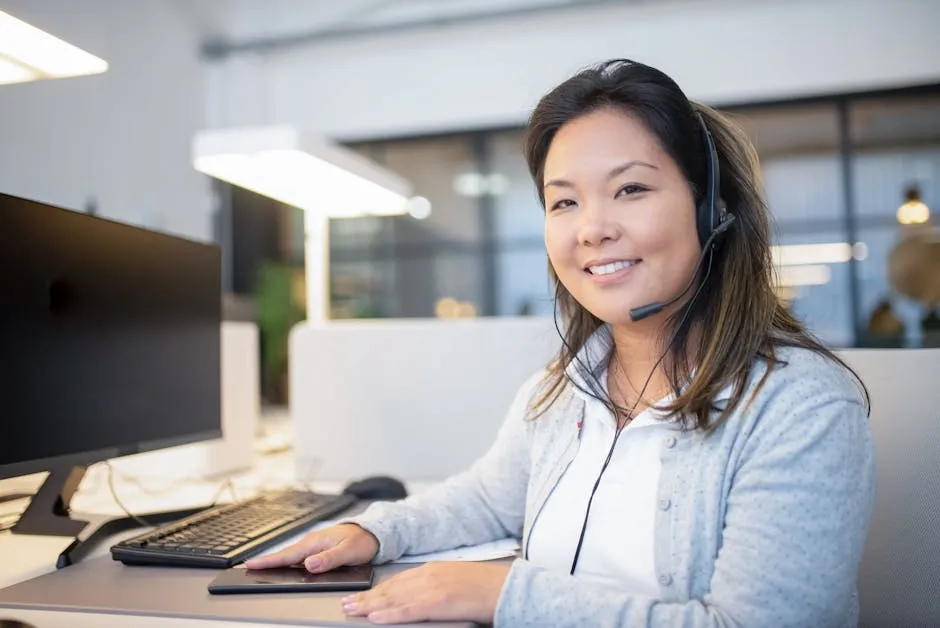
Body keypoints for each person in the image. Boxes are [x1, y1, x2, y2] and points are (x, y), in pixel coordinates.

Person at [247, 59, 875, 626]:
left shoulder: (800, 406)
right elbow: (489, 500)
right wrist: (373, 531)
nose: (593, 229)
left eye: (631, 189)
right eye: (564, 201)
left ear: (711, 208)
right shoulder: (565, 386)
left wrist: (501, 596)